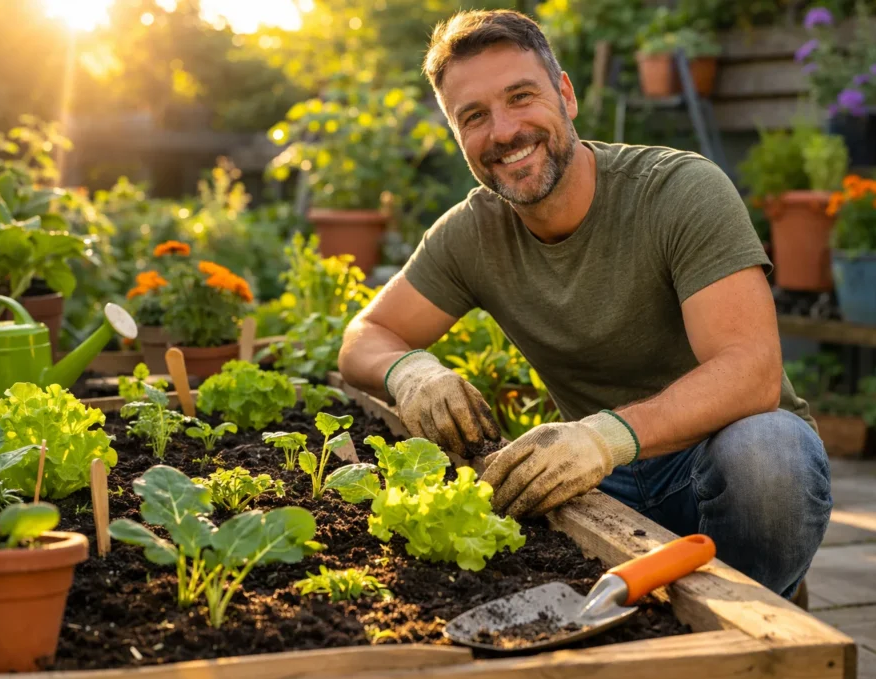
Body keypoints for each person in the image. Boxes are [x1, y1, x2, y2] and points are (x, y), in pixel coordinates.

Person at [337, 8, 831, 604]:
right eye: (474, 116)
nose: (504, 131)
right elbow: (365, 335)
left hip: (709, 464)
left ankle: (759, 605)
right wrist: (412, 373)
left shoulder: (678, 190)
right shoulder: (473, 233)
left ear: (566, 95)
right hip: (597, 484)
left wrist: (604, 438)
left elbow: (751, 370)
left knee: (771, 455)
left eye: (521, 97)